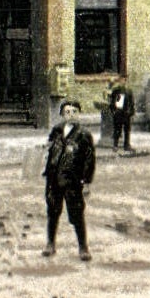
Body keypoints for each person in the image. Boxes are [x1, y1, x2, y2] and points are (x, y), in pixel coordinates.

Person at [42, 100, 96, 261]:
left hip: (72, 180)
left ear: (79, 114)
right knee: (52, 211)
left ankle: (83, 247)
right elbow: (49, 149)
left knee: (77, 213)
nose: (71, 115)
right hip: (53, 178)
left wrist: (86, 182)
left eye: (74, 111)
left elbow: (89, 159)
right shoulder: (57, 130)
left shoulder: (83, 135)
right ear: (62, 115)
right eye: (67, 112)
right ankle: (50, 244)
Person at [108, 78, 135, 152]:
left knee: (127, 130)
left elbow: (132, 103)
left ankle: (126, 145)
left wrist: (132, 113)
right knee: (117, 130)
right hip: (118, 113)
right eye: (121, 80)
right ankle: (115, 145)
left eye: (124, 80)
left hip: (127, 114)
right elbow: (112, 101)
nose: (123, 82)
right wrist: (113, 111)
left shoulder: (129, 91)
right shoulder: (116, 90)